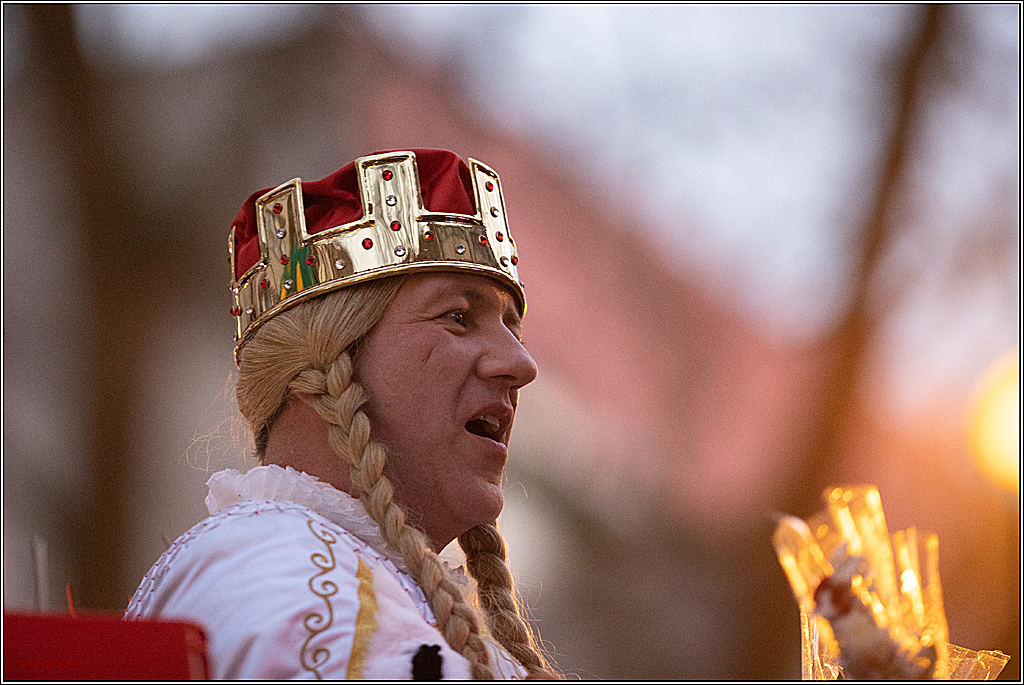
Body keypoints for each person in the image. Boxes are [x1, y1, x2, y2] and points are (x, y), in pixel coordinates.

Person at [125, 149, 557, 680]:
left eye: (512, 326)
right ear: (323, 364)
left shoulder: (350, 585)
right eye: (458, 317)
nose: (520, 363)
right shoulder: (283, 577)